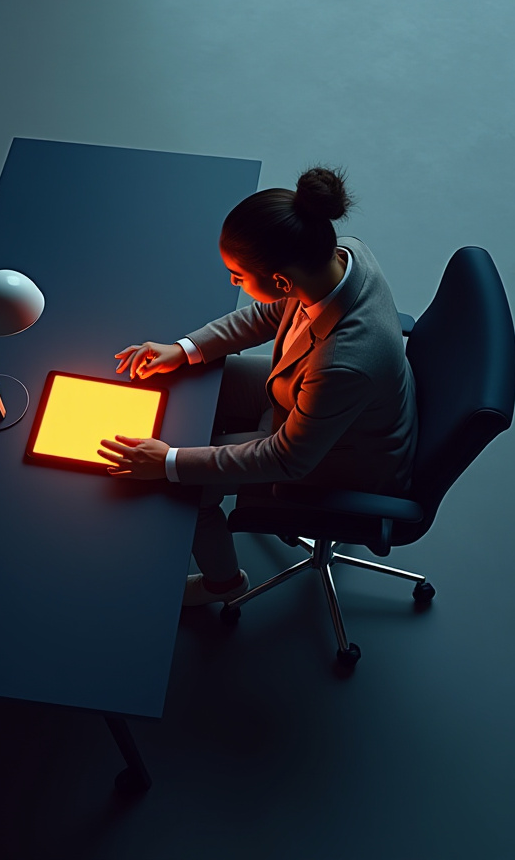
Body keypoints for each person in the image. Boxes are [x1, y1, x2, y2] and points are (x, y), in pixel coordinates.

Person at [98, 166, 419, 606]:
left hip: (342, 455)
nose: (233, 282)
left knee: (185, 484)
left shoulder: (345, 363)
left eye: (238, 276)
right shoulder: (340, 255)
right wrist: (186, 348)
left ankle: (223, 585)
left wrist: (170, 461)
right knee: (194, 377)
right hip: (311, 395)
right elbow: (270, 314)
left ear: (282, 281)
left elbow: (288, 459)